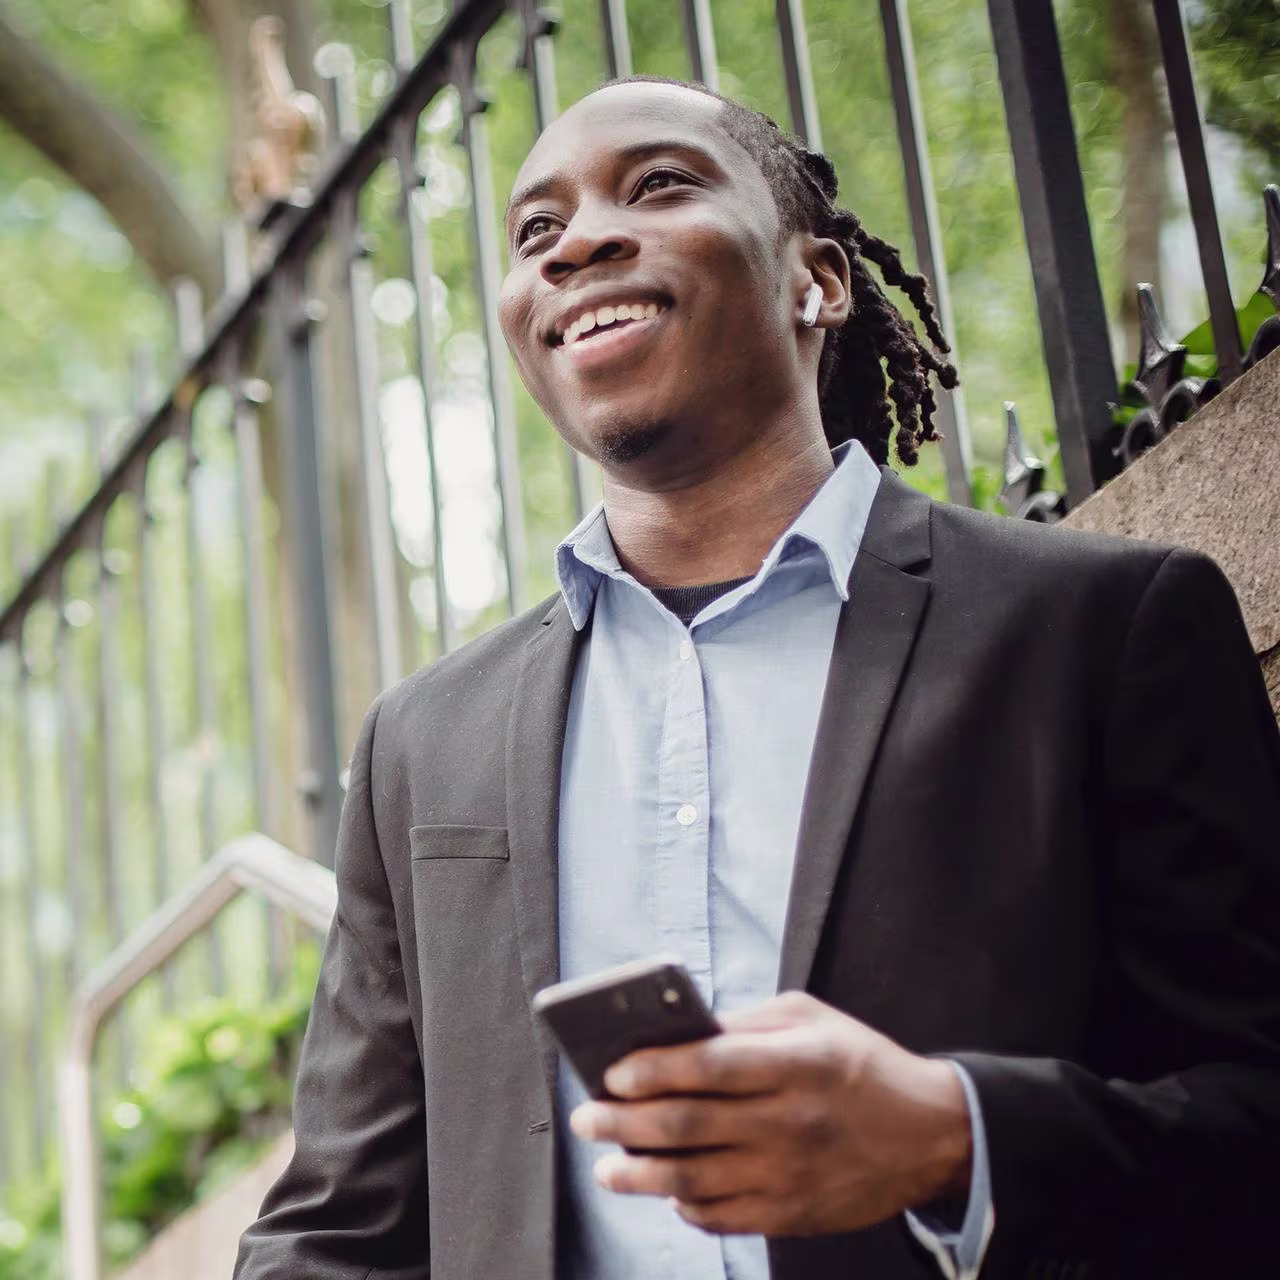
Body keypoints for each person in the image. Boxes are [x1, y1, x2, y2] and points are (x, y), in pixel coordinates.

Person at [234, 77, 1280, 1280]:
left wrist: (958, 1135)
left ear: (817, 280)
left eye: (659, 185)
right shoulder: (426, 740)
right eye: (535, 232)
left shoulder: (1100, 627)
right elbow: (336, 1224)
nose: (577, 240)